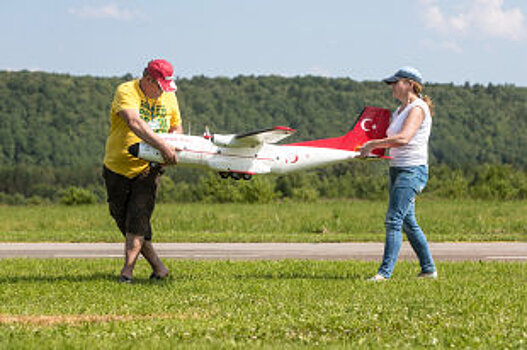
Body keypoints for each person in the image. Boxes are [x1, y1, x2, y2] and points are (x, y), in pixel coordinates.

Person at [102, 59, 183, 283]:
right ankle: (159, 267)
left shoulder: (169, 96)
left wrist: (171, 148)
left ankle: (127, 271)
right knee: (122, 218)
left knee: (138, 216)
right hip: (116, 167)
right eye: (159, 86)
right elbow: (134, 122)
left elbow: (176, 127)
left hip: (149, 168)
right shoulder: (126, 91)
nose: (163, 92)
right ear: (148, 79)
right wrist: (163, 146)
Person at [359, 66, 437, 281]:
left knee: (393, 220)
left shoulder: (417, 109)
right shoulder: (400, 110)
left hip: (412, 170)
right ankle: (429, 269)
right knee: (407, 222)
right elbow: (392, 140)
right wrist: (370, 151)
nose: (392, 87)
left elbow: (404, 138)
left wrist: (372, 144)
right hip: (397, 168)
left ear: (409, 84)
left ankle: (384, 274)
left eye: (395, 82)